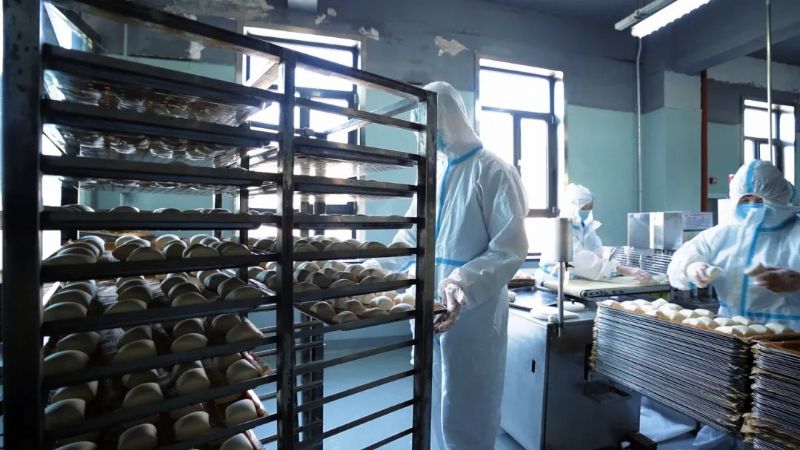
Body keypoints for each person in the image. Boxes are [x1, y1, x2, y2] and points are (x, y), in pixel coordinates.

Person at [391, 81, 528, 450]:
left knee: (469, 401)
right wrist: (368, 271)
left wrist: (460, 284)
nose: (429, 137)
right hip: (426, 306)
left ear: (450, 119)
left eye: (433, 126)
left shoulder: (493, 171)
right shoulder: (433, 175)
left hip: (473, 313)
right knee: (429, 392)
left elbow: (509, 249)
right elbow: (410, 236)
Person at [667, 160, 800, 449]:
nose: (752, 207)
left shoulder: (797, 234)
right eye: (745, 200)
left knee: (778, 419)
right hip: (731, 339)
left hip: (787, 343)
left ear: (779, 196)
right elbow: (680, 261)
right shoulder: (722, 235)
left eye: (759, 200)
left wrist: (796, 282)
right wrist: (692, 268)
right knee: (723, 410)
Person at [537, 183, 653, 283]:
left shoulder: (585, 227)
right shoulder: (560, 228)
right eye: (584, 207)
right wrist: (619, 269)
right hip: (552, 282)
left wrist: (613, 265)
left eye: (590, 207)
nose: (587, 211)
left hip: (573, 282)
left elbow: (596, 251)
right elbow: (576, 258)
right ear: (573, 207)